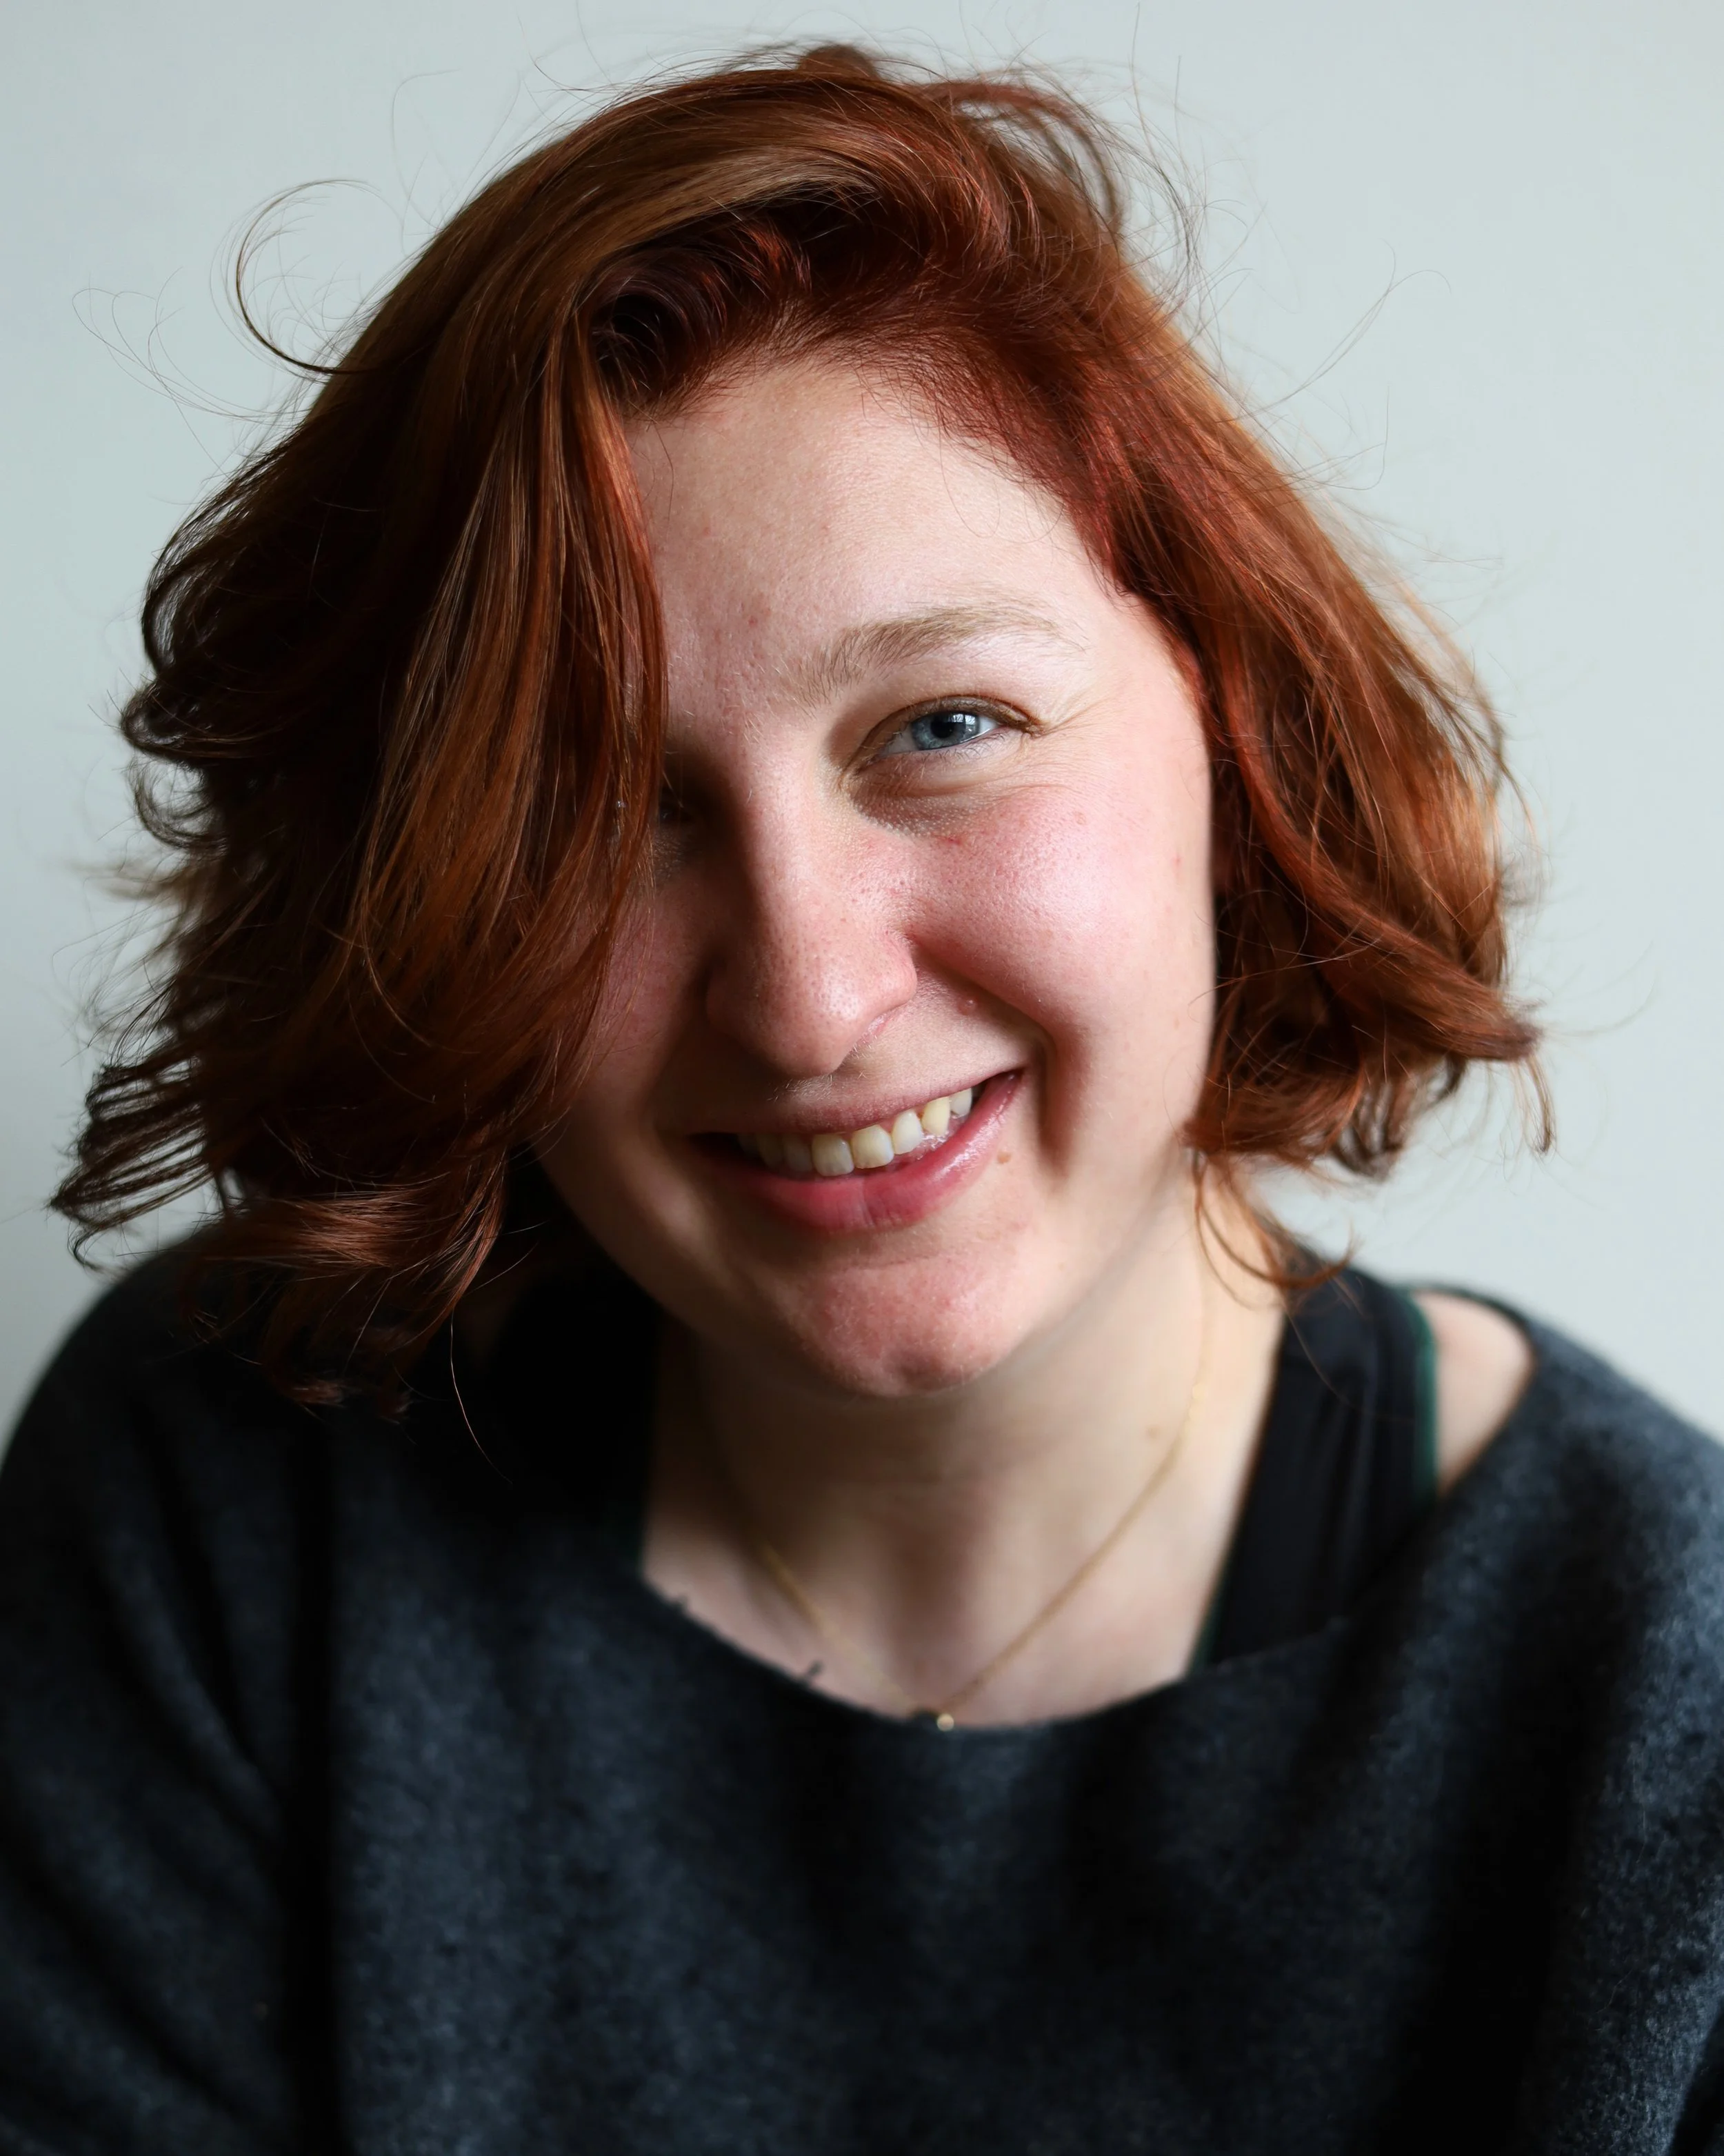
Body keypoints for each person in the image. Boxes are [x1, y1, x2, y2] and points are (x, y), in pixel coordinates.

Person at [3, 43, 1721, 2156]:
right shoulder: (224, 1505)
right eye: (595, 815)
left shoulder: (1669, 1710)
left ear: (1236, 727)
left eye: (942, 726)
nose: (811, 998)